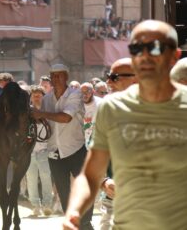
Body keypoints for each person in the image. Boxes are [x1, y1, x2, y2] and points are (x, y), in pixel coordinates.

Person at [63, 20, 185, 230]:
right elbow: (91, 175)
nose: (145, 55)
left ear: (174, 56)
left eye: (155, 47)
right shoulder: (112, 107)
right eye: (137, 48)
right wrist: (74, 211)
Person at [32, 64, 93, 229]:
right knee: (63, 191)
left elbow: (66, 118)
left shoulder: (76, 94)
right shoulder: (46, 99)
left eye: (59, 76)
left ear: (66, 77)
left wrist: (41, 114)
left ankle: (86, 222)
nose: (56, 79)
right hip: (54, 151)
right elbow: (43, 122)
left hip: (76, 148)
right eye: (53, 76)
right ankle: (71, 223)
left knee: (83, 188)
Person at [99, 57, 136, 230]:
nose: (108, 82)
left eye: (114, 77)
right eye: (108, 76)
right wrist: (104, 181)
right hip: (112, 200)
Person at [26, 85, 53, 216]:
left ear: (43, 96)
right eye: (34, 95)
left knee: (46, 177)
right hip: (29, 150)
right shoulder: (26, 111)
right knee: (31, 178)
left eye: (39, 95)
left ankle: (47, 204)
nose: (36, 97)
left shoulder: (48, 110)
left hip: (45, 149)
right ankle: (36, 205)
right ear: (30, 97)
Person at [79, 82, 101, 148]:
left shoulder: (101, 103)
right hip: (80, 144)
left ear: (93, 91)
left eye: (87, 91)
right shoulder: (76, 104)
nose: (84, 94)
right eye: (82, 92)